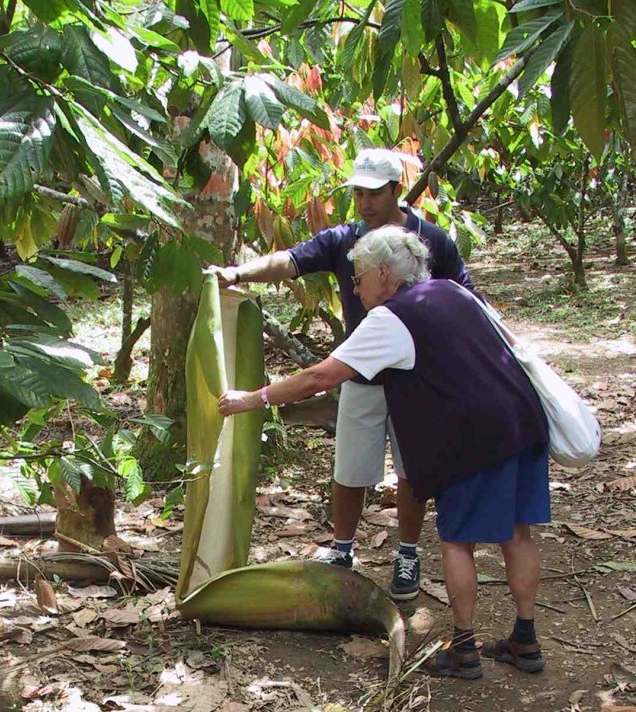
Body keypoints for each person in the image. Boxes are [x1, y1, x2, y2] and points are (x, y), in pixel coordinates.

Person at [217, 226, 550, 681]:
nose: (354, 288)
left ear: (385, 273)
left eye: (357, 279)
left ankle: (465, 648)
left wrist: (250, 399)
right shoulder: (452, 291)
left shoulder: (391, 318)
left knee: (456, 541)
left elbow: (320, 377)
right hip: (522, 421)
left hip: (474, 438)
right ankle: (525, 640)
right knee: (516, 532)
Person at [210, 147, 474, 602]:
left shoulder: (431, 240)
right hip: (362, 374)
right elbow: (290, 260)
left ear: (396, 190)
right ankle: (343, 547)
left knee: (413, 470)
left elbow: (465, 297)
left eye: (374, 193)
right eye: (358, 192)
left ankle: (407, 552)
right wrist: (237, 273)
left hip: (417, 379)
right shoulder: (343, 238)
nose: (365, 202)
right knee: (350, 467)